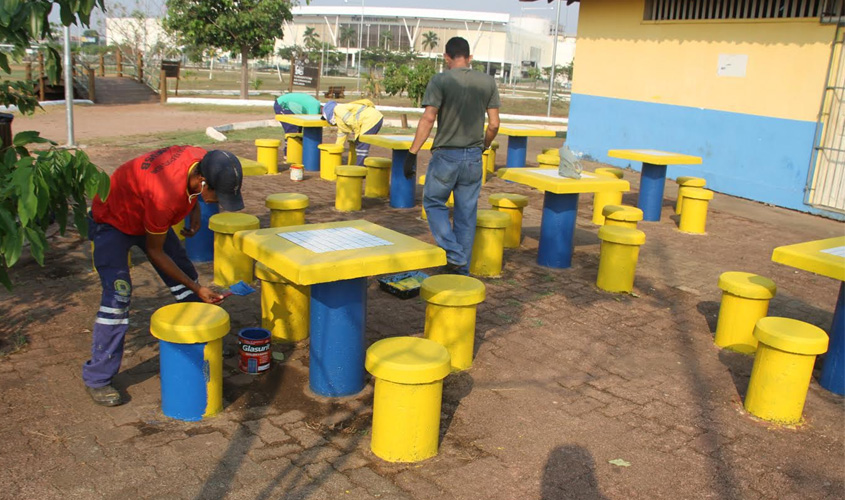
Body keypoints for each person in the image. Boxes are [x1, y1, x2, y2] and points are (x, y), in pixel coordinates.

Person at [83, 146, 245, 406]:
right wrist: (196, 287)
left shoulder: (203, 158)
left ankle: (200, 339)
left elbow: (190, 190)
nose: (219, 202)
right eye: (218, 195)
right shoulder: (164, 196)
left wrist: (192, 210)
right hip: (113, 220)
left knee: (185, 274)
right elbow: (155, 252)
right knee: (118, 296)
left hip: (147, 212)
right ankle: (98, 378)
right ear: (203, 182)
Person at [404, 37, 500, 275]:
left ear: (446, 57)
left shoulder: (440, 80)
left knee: (434, 202)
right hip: (474, 158)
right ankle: (460, 270)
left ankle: (454, 254)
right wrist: (484, 146)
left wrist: (412, 152)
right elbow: (495, 124)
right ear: (469, 58)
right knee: (466, 213)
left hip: (446, 155)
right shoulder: (487, 82)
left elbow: (428, 118)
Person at [322, 99, 384, 165]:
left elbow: (351, 121)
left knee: (362, 146)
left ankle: (359, 170)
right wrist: (336, 150)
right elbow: (340, 138)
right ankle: (359, 167)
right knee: (361, 144)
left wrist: (357, 135)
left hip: (371, 119)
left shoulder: (338, 109)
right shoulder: (339, 121)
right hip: (373, 119)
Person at [273, 92, 323, 156]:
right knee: (292, 130)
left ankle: (297, 153)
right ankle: (289, 155)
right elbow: (312, 124)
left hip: (292, 108)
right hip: (282, 104)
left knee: (298, 132)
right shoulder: (315, 107)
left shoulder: (315, 105)